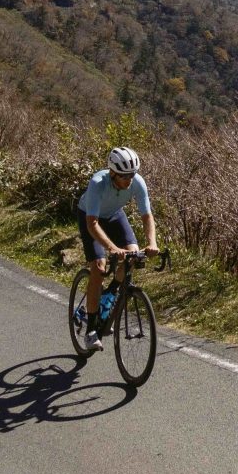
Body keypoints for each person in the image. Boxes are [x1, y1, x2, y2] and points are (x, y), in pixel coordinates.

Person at [76, 146, 159, 350]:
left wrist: (152, 243)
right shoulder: (97, 183)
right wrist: (112, 247)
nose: (128, 180)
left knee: (132, 255)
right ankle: (91, 330)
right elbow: (92, 224)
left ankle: (108, 295)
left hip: (114, 215)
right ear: (112, 173)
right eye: (123, 176)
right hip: (90, 217)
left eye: (132, 174)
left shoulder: (137, 182)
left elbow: (147, 216)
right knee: (99, 266)